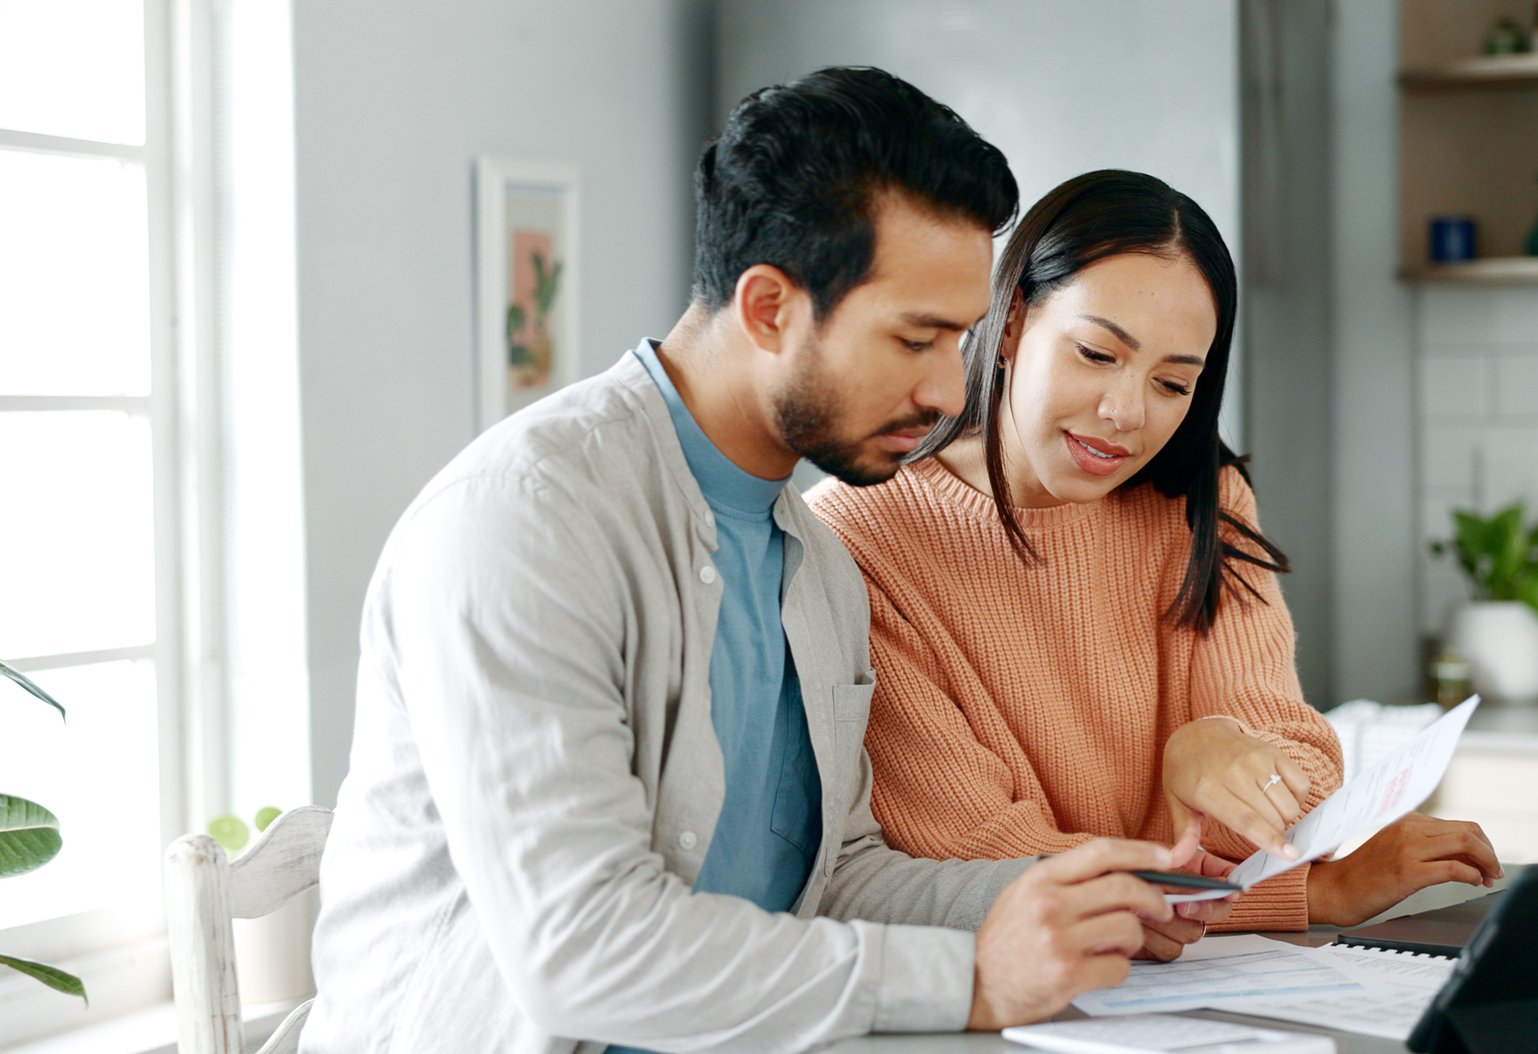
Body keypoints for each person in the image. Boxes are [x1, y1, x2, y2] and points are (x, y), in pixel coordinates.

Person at [303, 73, 1219, 1054]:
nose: (949, 387)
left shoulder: (815, 558)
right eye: (915, 338)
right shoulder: (525, 521)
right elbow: (582, 950)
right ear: (771, 306)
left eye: (961, 340)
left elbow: (838, 877)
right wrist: (971, 977)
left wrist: (1072, 898)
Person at [809, 170, 1503, 938]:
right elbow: (974, 851)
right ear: (1007, 327)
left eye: (1174, 384)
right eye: (1097, 354)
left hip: (1183, 981)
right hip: (1009, 991)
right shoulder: (857, 540)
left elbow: (1301, 778)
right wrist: (1304, 895)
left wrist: (1214, 753)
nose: (1126, 414)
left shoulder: (1202, 498)